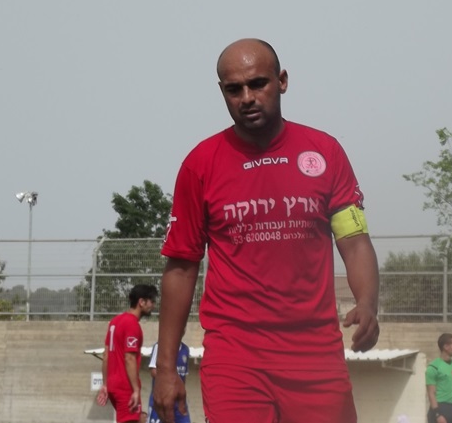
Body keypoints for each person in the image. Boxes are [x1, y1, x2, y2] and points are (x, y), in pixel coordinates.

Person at [154, 38, 380, 423]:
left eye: (258, 83)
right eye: (234, 89)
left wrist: (368, 302)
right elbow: (181, 268)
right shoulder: (200, 164)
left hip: (316, 356)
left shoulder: (324, 152)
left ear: (282, 81)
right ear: (222, 92)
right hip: (234, 359)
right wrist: (165, 369)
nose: (247, 97)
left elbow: (355, 241)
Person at [97, 284, 158, 423]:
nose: (153, 306)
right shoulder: (132, 324)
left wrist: (105, 384)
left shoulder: (115, 322)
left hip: (113, 386)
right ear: (141, 302)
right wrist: (136, 389)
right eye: (152, 301)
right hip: (125, 387)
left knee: (139, 419)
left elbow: (106, 355)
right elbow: (129, 358)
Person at [147, 341, 191, 423]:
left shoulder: (185, 349)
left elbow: (184, 376)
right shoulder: (159, 346)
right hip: (161, 399)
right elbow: (153, 372)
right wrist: (170, 380)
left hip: (178, 401)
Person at [426, 333, 452, 423]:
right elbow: (431, 393)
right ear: (446, 347)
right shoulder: (433, 367)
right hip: (440, 408)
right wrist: (437, 415)